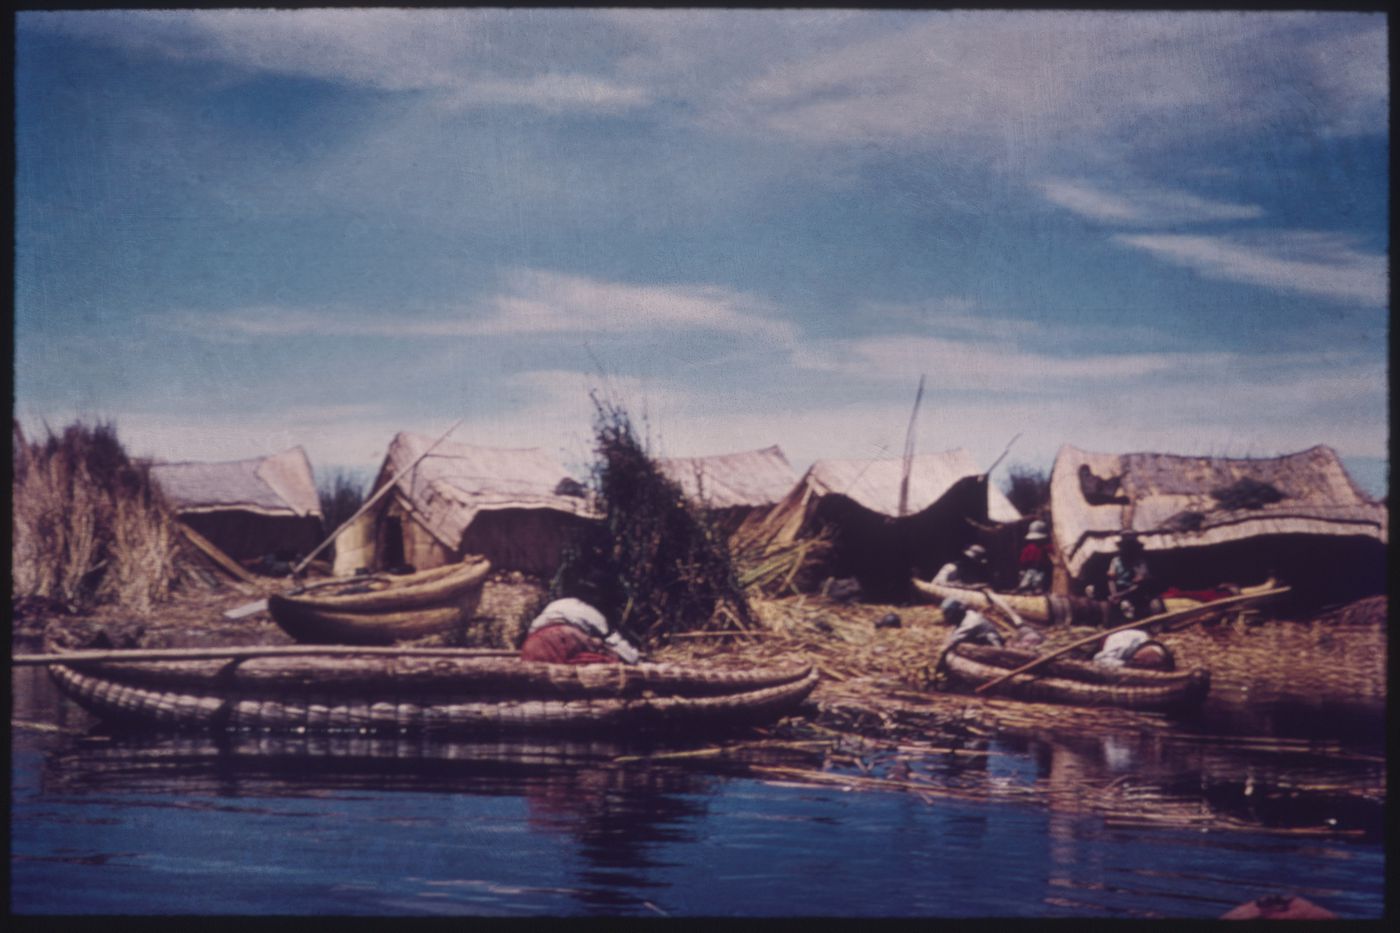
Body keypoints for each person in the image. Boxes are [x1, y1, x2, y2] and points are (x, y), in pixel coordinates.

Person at [520, 596, 641, 665]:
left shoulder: (554, 606)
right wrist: (633, 659)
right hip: (562, 637)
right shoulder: (593, 614)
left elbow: (533, 630)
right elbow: (615, 642)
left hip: (532, 645)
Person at [1106, 533, 1164, 622]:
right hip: (1119, 590)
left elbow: (1138, 583)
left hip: (1136, 591)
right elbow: (1111, 579)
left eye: (1130, 547)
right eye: (1126, 547)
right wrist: (1114, 594)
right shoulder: (1115, 561)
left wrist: (1119, 595)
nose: (1127, 550)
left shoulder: (1140, 562)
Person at [1014, 520, 1052, 594]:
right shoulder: (1029, 548)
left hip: (1041, 569)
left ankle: (1037, 591)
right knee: (1026, 581)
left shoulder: (1047, 547)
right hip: (1030, 569)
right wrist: (1022, 569)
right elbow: (1023, 561)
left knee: (1038, 581)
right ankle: (1023, 590)